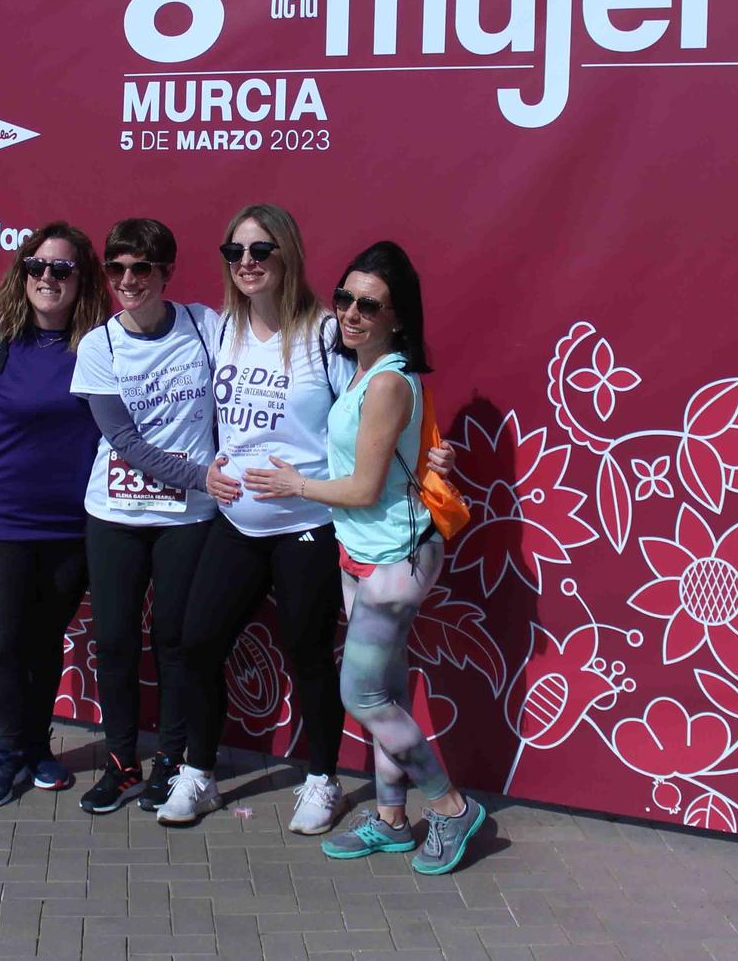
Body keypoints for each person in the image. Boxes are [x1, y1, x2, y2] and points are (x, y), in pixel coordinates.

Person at [243, 241, 487, 875]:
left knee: (361, 692)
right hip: (363, 553)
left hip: (394, 560)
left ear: (397, 316)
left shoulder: (384, 381)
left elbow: (362, 489)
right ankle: (390, 819)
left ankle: (451, 807)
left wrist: (292, 484)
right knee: (386, 689)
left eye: (368, 305)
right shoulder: (359, 369)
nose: (350, 313)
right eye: (345, 299)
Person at [156, 203, 352, 834]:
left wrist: (426, 451)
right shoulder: (220, 329)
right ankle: (200, 773)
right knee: (196, 642)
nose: (246, 263)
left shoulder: (325, 333)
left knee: (309, 654)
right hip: (236, 520)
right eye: (234, 253)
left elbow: (370, 413)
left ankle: (322, 780)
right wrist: (206, 466)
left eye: (260, 251)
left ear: (287, 254)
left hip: (306, 524)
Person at [0, 222, 108, 807]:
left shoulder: (101, 345)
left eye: (60, 269)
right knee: (5, 643)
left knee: (44, 641)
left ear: (80, 279)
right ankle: (7, 751)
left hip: (72, 528)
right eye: (36, 266)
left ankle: (37, 747)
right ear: (21, 272)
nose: (46, 278)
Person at [70, 218, 222, 814]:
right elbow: (125, 441)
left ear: (166, 273)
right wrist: (201, 474)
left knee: (177, 642)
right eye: (117, 269)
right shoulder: (99, 345)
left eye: (142, 269)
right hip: (115, 514)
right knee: (113, 641)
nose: (128, 281)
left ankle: (173, 763)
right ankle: (121, 761)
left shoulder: (205, 326)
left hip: (189, 517)